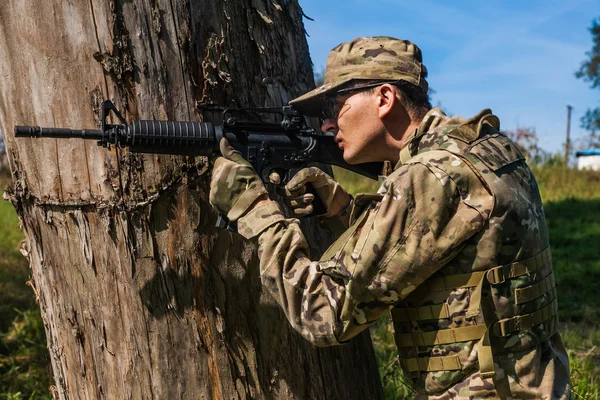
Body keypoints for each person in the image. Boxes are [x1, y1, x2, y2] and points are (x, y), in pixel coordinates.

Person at [209, 36, 571, 399]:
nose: (327, 125)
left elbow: (321, 313)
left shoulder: (429, 176)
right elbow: (442, 248)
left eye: (336, 105)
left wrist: (256, 212)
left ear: (384, 98)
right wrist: (343, 211)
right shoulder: (486, 146)